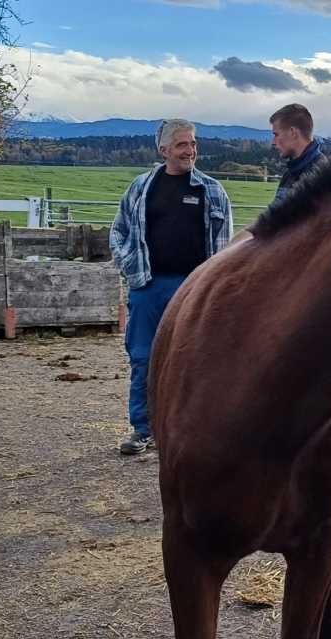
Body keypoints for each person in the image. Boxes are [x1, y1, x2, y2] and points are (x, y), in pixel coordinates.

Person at [110, 119, 233, 454]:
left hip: (194, 293)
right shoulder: (141, 188)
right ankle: (143, 430)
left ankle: (196, 431)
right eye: (181, 145)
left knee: (198, 360)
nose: (189, 150)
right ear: (163, 150)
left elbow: (224, 249)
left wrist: (215, 291)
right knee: (143, 359)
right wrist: (129, 265)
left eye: (192, 143)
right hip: (148, 287)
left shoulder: (211, 191)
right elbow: (117, 231)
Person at [269, 103, 324, 202]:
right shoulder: (289, 174)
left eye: (276, 135)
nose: (273, 142)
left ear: (292, 132)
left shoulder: (323, 176)